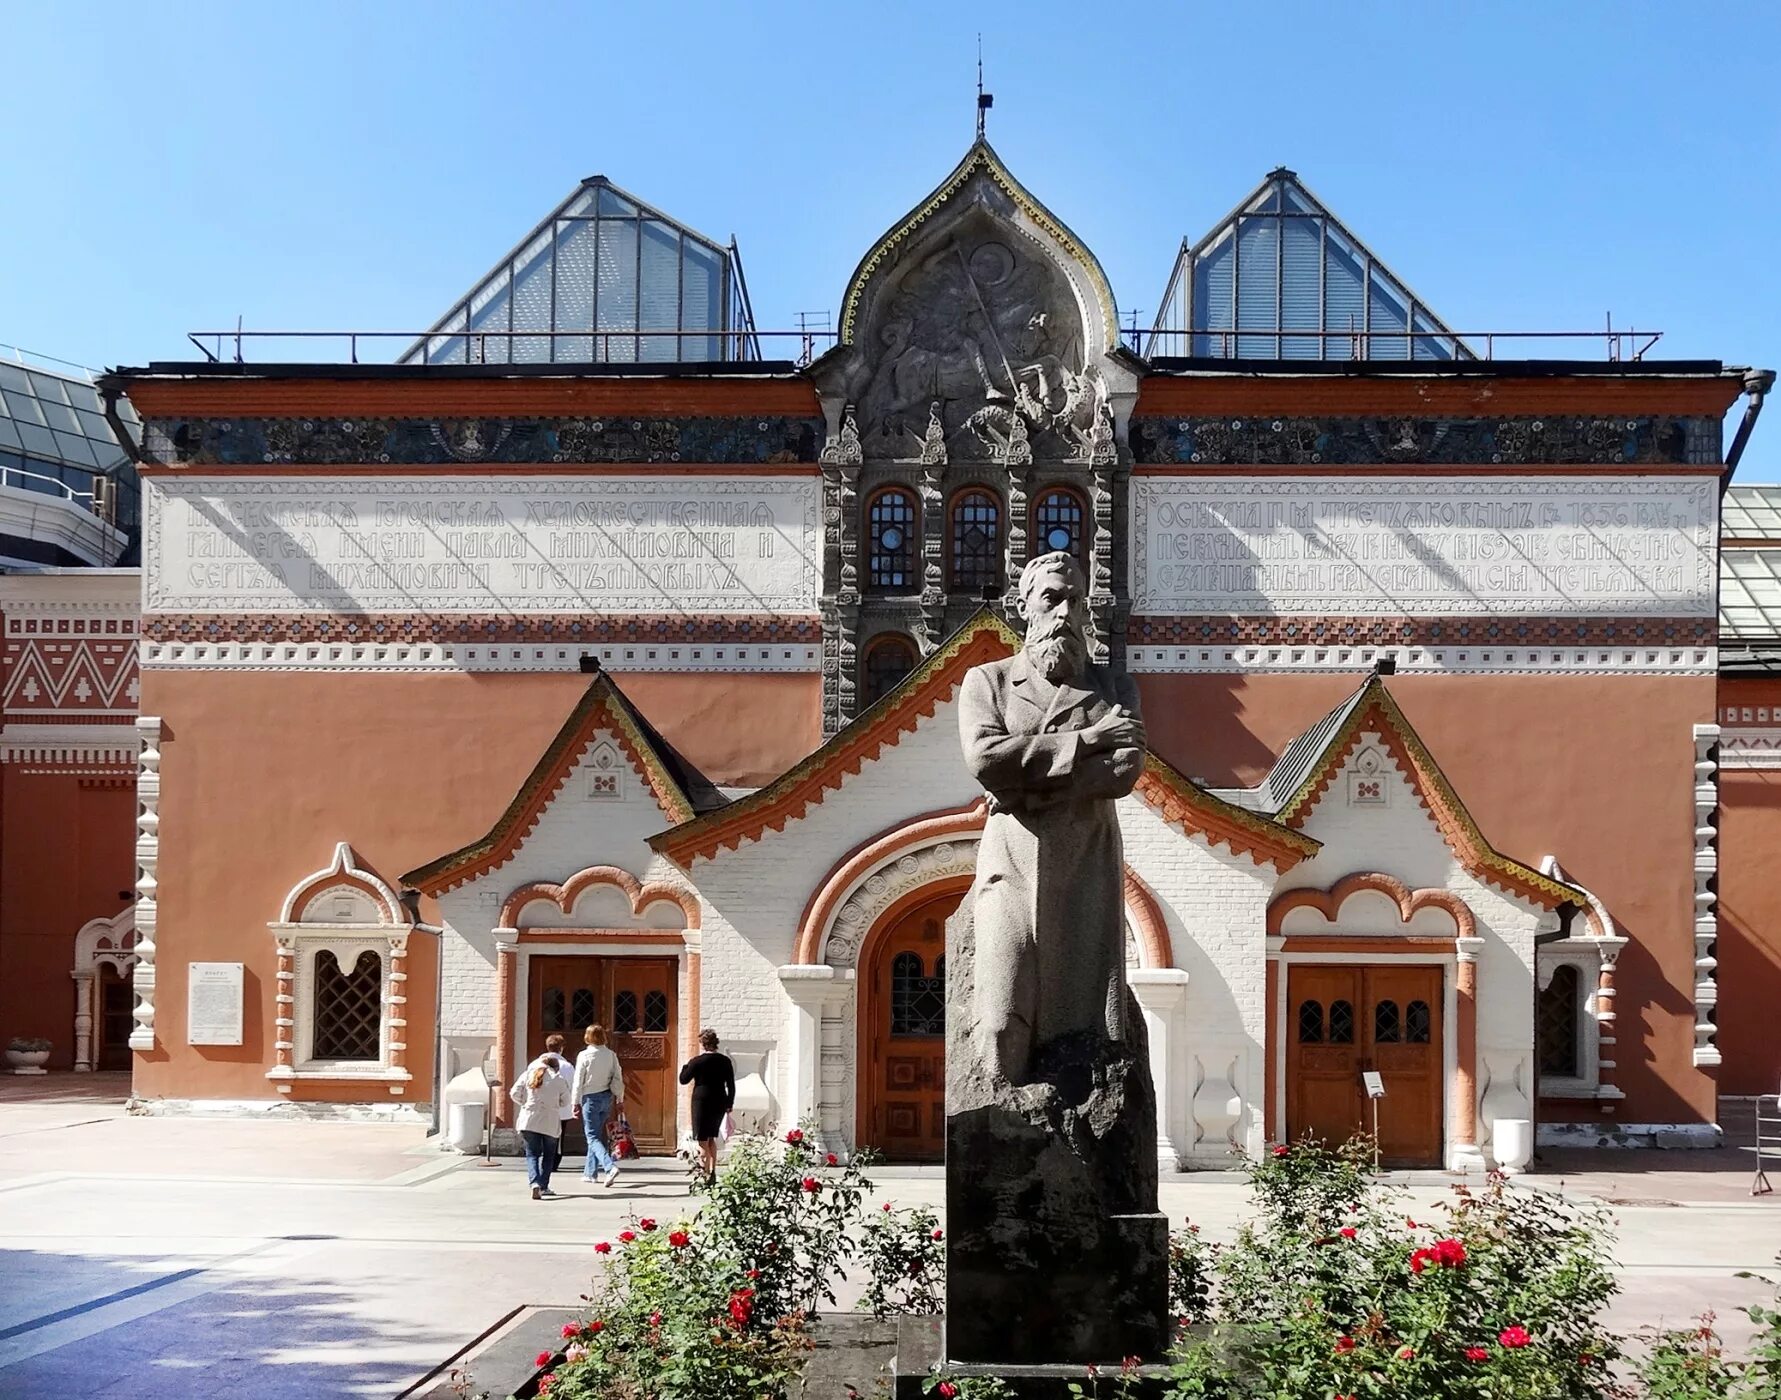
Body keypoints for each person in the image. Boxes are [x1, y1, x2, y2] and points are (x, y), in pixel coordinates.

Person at [957, 550, 1145, 1085]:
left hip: (1085, 864)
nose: (1065, 611)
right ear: (1024, 607)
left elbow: (1122, 773)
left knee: (1086, 1027)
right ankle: (1003, 1132)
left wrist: (1022, 788)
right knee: (998, 1017)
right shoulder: (986, 682)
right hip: (1010, 862)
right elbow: (985, 759)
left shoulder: (1114, 688)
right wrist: (1088, 739)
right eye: (1052, 597)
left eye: (1076, 600)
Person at [510, 1054, 571, 1199]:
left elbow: (514, 1093)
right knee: (549, 1155)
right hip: (549, 1120)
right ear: (556, 1068)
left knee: (532, 1154)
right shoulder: (559, 1080)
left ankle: (534, 1182)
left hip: (529, 1119)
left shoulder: (527, 1075)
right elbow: (566, 1100)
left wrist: (524, 1103)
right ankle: (544, 1186)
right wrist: (555, 1105)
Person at [571, 1023, 625, 1187]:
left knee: (592, 1136)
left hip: (590, 1098)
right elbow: (618, 1077)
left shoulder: (585, 1055)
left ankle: (609, 1167)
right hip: (606, 1097)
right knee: (595, 1136)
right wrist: (620, 1099)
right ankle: (590, 1173)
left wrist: (575, 1102)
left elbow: (578, 1080)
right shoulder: (611, 1055)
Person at [678, 1028, 735, 1180]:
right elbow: (731, 1085)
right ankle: (713, 1170)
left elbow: (683, 1079)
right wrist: (729, 1103)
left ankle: (705, 1173)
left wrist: (686, 1066)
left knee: (701, 1138)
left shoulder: (697, 1061)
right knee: (711, 1137)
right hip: (719, 1100)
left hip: (701, 1100)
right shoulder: (725, 1061)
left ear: (702, 1044)